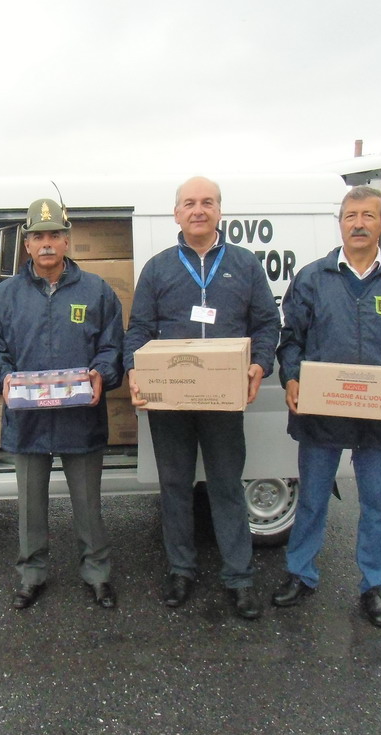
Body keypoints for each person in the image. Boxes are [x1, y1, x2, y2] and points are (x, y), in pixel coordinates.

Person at [272, 185, 381, 628]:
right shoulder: (313, 278)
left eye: (368, 216)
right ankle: (300, 573)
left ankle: (374, 585)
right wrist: (292, 377)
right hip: (322, 411)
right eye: (350, 216)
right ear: (341, 223)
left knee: (379, 504)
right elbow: (291, 339)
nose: (358, 224)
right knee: (312, 499)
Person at [123, 176, 281, 619]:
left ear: (219, 211)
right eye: (189, 203)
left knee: (227, 486)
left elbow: (267, 323)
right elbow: (138, 329)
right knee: (175, 486)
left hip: (223, 399)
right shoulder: (158, 268)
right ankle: (181, 570)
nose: (198, 210)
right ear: (176, 214)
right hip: (170, 400)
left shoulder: (245, 265)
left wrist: (260, 364)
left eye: (207, 202)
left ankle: (239, 578)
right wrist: (134, 369)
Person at [0, 198, 124, 610]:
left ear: (66, 241)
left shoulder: (96, 291)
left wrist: (101, 373)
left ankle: (97, 574)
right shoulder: (5, 296)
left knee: (88, 504)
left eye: (54, 235)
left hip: (81, 418)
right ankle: (32, 575)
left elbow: (112, 345)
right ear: (26, 244)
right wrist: (4, 375)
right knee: (30, 506)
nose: (46, 243)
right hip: (28, 420)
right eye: (38, 236)